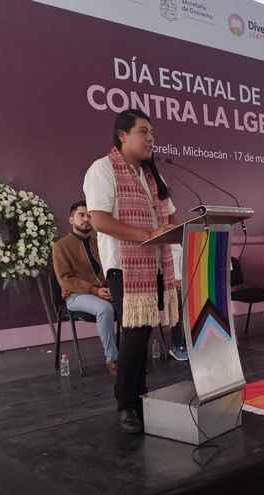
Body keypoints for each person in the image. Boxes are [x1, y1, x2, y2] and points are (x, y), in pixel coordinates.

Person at [84, 109, 179, 434]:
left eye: (153, 133)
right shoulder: (102, 169)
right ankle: (126, 404)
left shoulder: (153, 176)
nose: (151, 138)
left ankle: (139, 398)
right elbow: (100, 220)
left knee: (144, 334)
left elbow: (170, 219)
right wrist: (148, 235)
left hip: (155, 266)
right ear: (122, 136)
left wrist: (192, 229)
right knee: (135, 337)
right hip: (124, 268)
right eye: (143, 131)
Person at [52, 201, 118, 376]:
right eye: (81, 215)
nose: (86, 219)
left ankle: (130, 356)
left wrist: (110, 288)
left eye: (89, 215)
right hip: (75, 295)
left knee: (129, 303)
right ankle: (112, 358)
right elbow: (65, 279)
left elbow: (108, 270)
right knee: (105, 308)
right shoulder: (61, 246)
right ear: (71, 219)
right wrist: (94, 290)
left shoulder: (98, 243)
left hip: (101, 292)